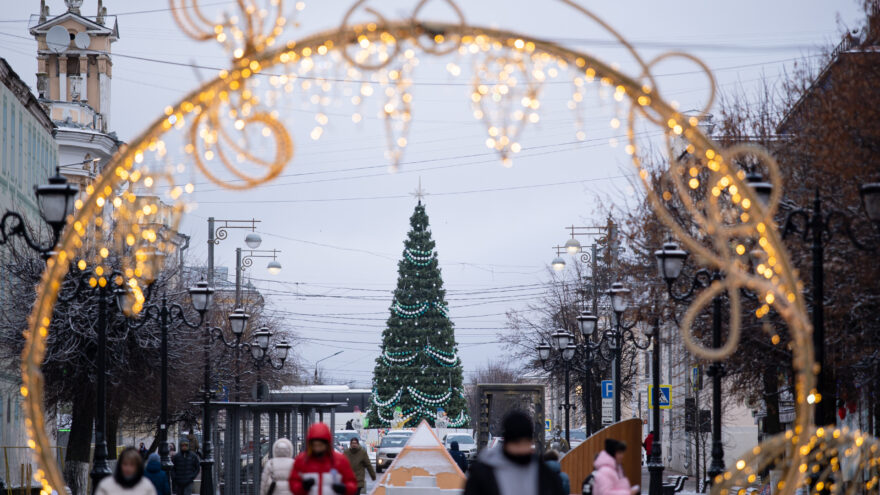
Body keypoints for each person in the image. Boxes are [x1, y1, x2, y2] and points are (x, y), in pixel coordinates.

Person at [464, 410, 564, 495]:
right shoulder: (482, 475)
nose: (521, 449)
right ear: (507, 443)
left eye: (526, 443)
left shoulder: (546, 475)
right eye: (517, 444)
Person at [289, 422, 358, 495]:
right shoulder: (301, 460)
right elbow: (293, 483)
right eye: (314, 445)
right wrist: (303, 487)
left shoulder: (340, 460)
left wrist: (344, 488)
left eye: (320, 445)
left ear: (327, 444)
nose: (317, 448)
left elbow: (352, 482)